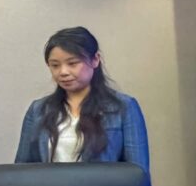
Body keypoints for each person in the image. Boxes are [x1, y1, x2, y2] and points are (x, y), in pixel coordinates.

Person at [15, 26, 149, 171]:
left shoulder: (123, 107)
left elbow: (138, 172)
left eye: (72, 63)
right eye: (55, 65)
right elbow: (21, 171)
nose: (63, 72)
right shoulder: (38, 110)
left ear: (95, 60)